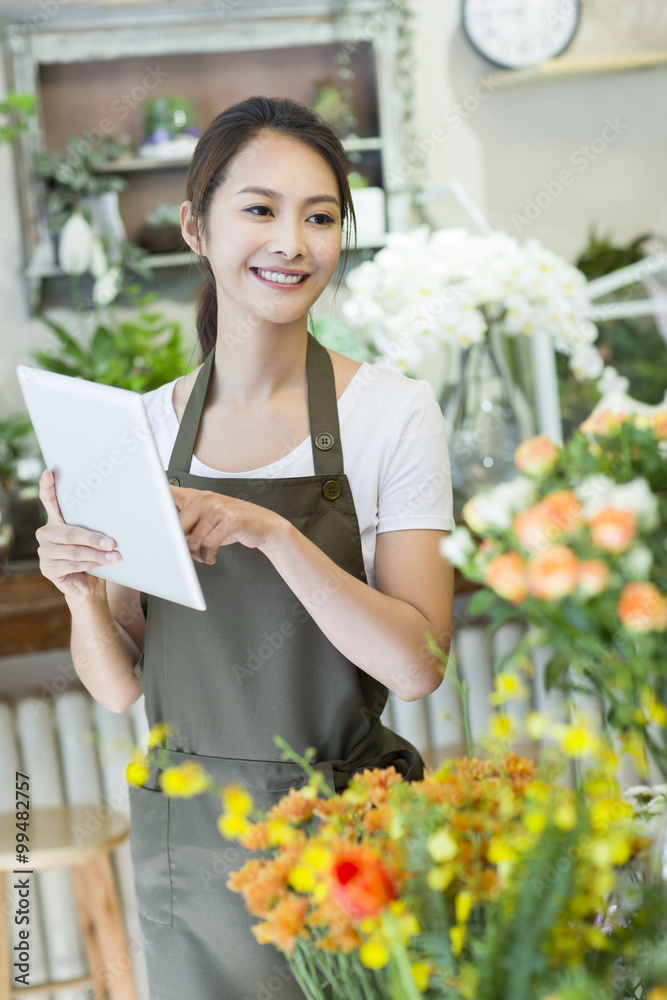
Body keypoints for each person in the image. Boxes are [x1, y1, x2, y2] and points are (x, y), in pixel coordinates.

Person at [36, 95, 455, 1000]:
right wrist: (76, 588)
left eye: (320, 216)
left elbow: (417, 667)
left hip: (350, 839)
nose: (292, 243)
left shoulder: (390, 413)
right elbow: (120, 682)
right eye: (260, 210)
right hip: (195, 850)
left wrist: (270, 531)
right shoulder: (142, 429)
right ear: (196, 226)